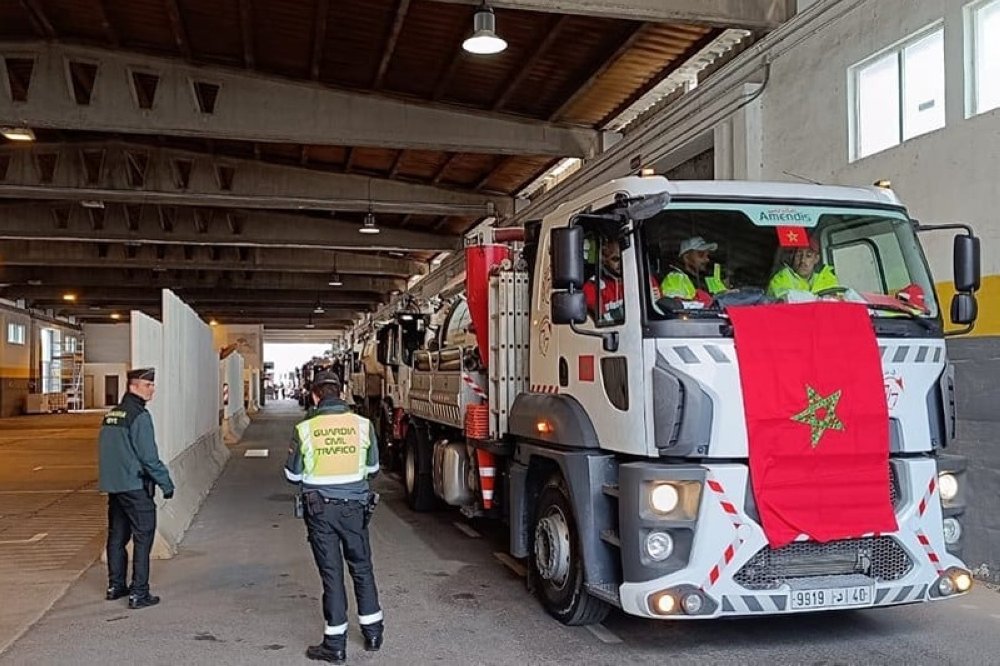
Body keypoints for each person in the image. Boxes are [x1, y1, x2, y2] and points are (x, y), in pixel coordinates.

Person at [285, 371, 383, 664]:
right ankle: (373, 633)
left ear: (315, 395)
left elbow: (293, 475)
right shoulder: (363, 425)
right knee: (362, 567)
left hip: (320, 510)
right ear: (340, 392)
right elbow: (373, 468)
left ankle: (335, 645)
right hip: (355, 508)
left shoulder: (306, 428)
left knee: (332, 574)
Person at [97, 367, 174, 610]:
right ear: (133, 386)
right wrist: (166, 483)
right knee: (143, 537)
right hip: (136, 486)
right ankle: (139, 593)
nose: (152, 389)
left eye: (152, 385)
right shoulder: (139, 416)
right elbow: (149, 457)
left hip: (115, 488)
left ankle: (115, 586)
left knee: (117, 537)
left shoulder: (111, 415)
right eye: (147, 385)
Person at [660, 236, 727, 305]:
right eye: (701, 254)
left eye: (707, 255)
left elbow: (725, 301)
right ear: (686, 258)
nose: (707, 259)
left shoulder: (711, 279)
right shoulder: (674, 278)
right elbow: (677, 308)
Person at [767, 236, 839, 299]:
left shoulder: (828, 278)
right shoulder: (780, 280)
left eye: (808, 256)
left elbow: (839, 303)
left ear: (816, 259)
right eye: (799, 255)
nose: (803, 260)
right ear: (792, 257)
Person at [582, 238, 625, 323]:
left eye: (624, 257)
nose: (622, 263)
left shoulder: (643, 280)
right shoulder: (592, 286)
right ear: (604, 260)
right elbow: (604, 321)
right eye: (616, 259)